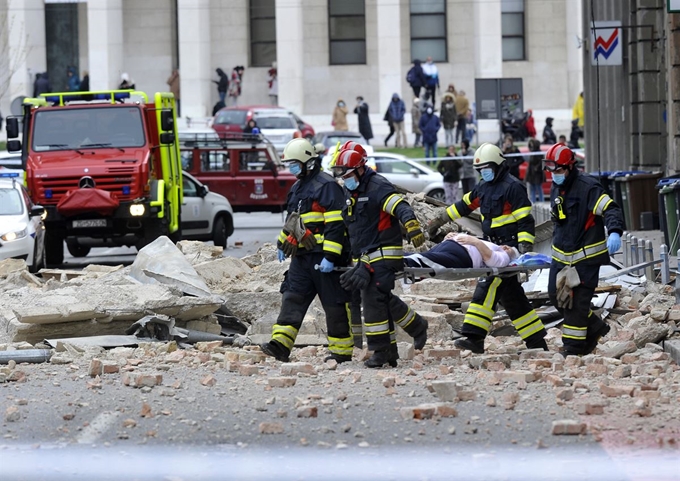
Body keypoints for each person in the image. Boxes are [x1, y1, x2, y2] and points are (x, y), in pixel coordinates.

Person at [427, 143, 548, 354]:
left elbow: (525, 220)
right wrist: (439, 220)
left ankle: (474, 337)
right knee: (512, 298)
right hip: (491, 245)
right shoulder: (482, 187)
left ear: (499, 165)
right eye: (481, 170)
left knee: (487, 286)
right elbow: (462, 206)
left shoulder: (513, 187)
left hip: (507, 250)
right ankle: (536, 341)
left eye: (487, 168)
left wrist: (524, 249)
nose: (484, 172)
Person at [332, 145, 429, 368]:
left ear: (360, 169)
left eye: (347, 174)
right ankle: (406, 336)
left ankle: (380, 350)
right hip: (365, 256)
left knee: (373, 297)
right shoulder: (351, 191)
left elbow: (399, 206)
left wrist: (411, 224)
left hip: (385, 253)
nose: (345, 179)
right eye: (342, 175)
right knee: (380, 297)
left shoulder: (377, 186)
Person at [260, 138, 353, 364]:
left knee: (334, 304)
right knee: (292, 297)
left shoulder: (327, 186)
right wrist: (282, 243)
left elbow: (336, 225)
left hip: (325, 258)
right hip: (302, 258)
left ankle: (341, 352)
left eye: (294, 163)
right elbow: (294, 221)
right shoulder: (297, 188)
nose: (291, 168)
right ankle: (280, 345)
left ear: (307, 162)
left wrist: (330, 257)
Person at [543, 144, 623, 356]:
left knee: (577, 304)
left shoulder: (588, 187)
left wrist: (614, 231)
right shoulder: (556, 187)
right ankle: (596, 328)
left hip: (585, 260)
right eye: (551, 170)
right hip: (561, 258)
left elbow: (610, 209)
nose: (554, 175)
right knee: (556, 297)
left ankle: (573, 349)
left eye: (558, 170)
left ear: (570, 167)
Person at [405, 232, 519, 270]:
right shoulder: (492, 245)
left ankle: (398, 261)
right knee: (421, 257)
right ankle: (393, 258)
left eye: (508, 249)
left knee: (423, 260)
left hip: (461, 256)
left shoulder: (504, 256)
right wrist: (451, 236)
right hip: (449, 246)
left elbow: (493, 261)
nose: (506, 247)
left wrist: (475, 241)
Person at [525, 138, 545, 203]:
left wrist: (536, 168)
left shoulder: (539, 153)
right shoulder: (532, 152)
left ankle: (541, 201)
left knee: (538, 188)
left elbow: (542, 163)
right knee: (533, 188)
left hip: (537, 174)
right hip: (531, 174)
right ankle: (533, 202)